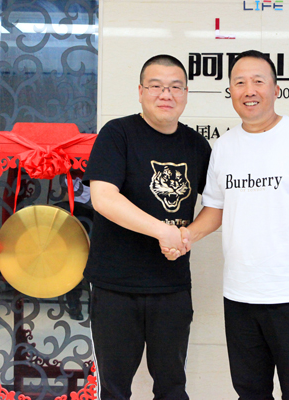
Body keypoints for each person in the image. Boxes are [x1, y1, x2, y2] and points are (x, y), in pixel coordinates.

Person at [167, 50, 289, 399]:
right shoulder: (224, 147)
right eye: (240, 82)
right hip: (239, 295)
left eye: (258, 81)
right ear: (230, 91)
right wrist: (183, 236)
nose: (249, 90)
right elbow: (215, 210)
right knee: (249, 392)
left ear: (276, 89)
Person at [83, 54, 211, 400]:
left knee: (172, 388)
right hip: (115, 286)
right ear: (141, 92)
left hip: (171, 287)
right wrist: (163, 231)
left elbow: (218, 206)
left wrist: (186, 236)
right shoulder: (118, 133)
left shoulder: (196, 145)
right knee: (114, 390)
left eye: (175, 87)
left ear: (186, 94)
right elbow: (104, 198)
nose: (166, 94)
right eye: (156, 86)